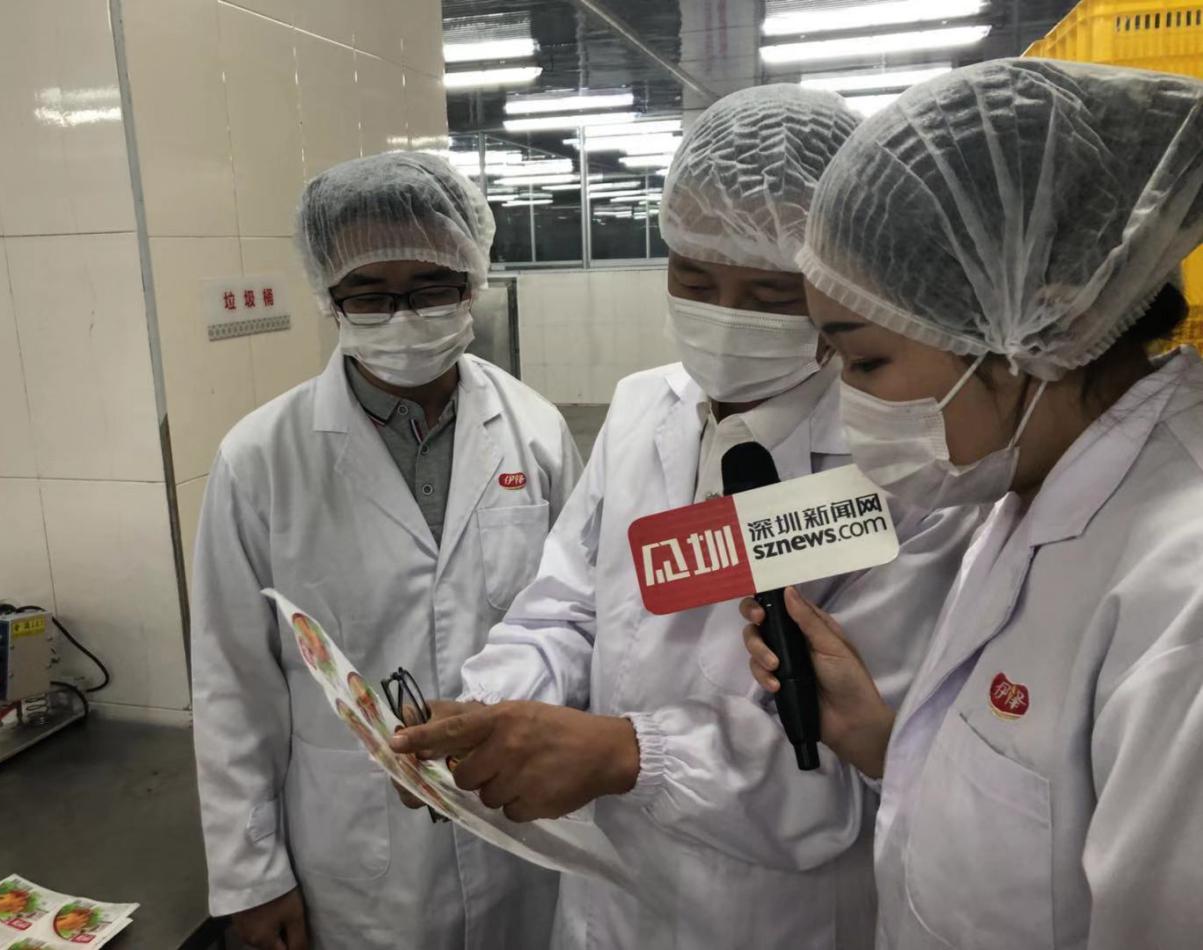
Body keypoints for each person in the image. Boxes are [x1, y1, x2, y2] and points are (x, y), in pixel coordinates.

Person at [392, 85, 984, 948]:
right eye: (694, 279)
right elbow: (569, 609)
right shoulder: (643, 408)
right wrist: (486, 711)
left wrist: (628, 753)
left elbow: (865, 763)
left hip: (772, 912)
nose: (725, 318)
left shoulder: (907, 470)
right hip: (611, 895)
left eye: (771, 294)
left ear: (842, 283)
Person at [742, 59, 1203, 949]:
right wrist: (880, 739)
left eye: (866, 360)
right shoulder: (1023, 483)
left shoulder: (1180, 597)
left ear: (1040, 324)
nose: (848, 397)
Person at [190, 152, 582, 950]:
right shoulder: (261, 458)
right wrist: (250, 877)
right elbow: (232, 681)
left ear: (471, 280)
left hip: (521, 829)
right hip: (356, 848)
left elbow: (581, 618)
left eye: (431, 287)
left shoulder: (535, 430)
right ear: (328, 295)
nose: (402, 318)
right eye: (369, 293)